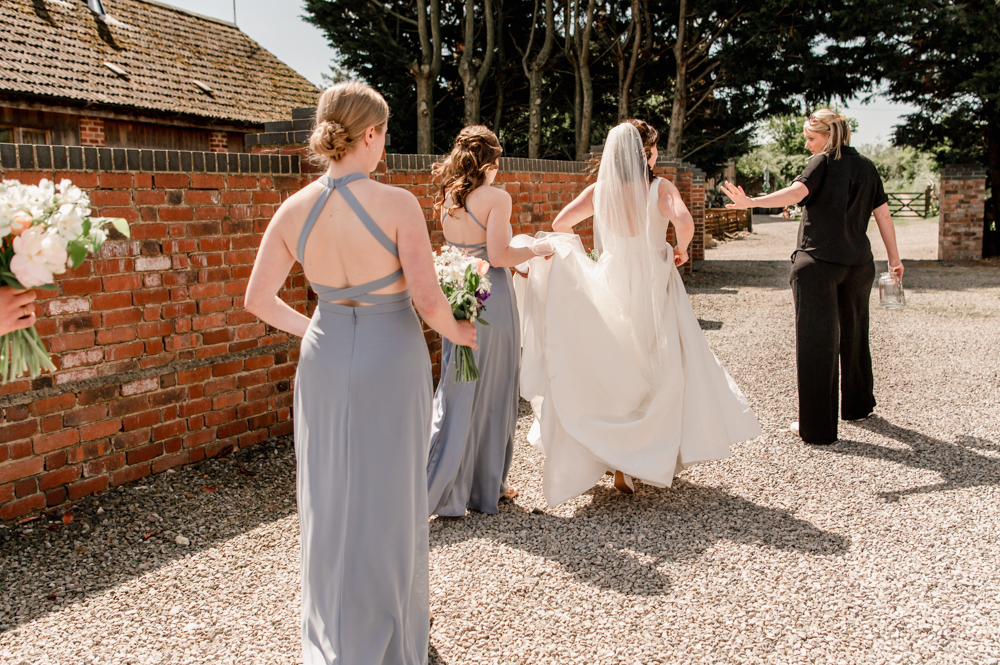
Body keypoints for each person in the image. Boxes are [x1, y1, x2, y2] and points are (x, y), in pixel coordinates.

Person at [244, 82, 476, 665]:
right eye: (385, 133)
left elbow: (258, 299)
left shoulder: (293, 208)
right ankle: (390, 625)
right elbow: (427, 300)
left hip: (323, 360)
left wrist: (319, 331)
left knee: (328, 490)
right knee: (390, 492)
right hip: (389, 357)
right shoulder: (396, 204)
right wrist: (462, 332)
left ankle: (333, 628)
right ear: (369, 134)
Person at [518, 120, 762, 506]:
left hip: (611, 282)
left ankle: (617, 456)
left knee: (617, 366)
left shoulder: (600, 191)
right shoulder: (659, 188)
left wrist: (584, 259)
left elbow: (561, 223)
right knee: (658, 367)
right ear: (647, 152)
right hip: (653, 283)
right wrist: (679, 250)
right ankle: (642, 456)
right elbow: (684, 220)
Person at [721, 108, 903, 445]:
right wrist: (894, 259)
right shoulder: (867, 166)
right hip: (859, 264)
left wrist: (752, 201)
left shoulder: (821, 162)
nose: (807, 145)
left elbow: (796, 193)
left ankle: (817, 429)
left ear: (829, 136)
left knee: (817, 344)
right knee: (854, 335)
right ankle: (858, 406)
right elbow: (884, 215)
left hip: (818, 264)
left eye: (810, 138)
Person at [426, 126, 553, 516]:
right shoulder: (497, 197)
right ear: (491, 163)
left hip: (459, 295)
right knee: (495, 391)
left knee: (459, 387)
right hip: (491, 298)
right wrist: (534, 248)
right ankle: (485, 486)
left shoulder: (449, 197)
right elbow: (498, 255)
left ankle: (445, 481)